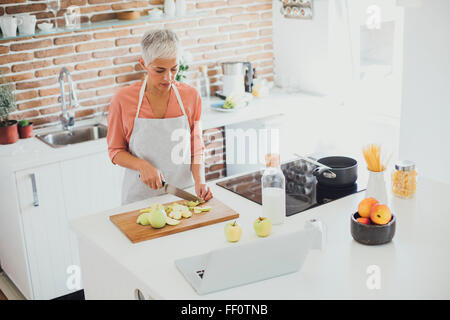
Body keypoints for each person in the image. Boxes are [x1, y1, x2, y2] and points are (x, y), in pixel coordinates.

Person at [107, 29, 213, 205]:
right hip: (139, 198)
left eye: (174, 69)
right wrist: (142, 165)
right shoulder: (123, 100)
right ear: (143, 64)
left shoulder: (191, 96)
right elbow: (115, 151)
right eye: (159, 70)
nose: (168, 77)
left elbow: (196, 147)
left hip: (183, 196)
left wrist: (200, 181)